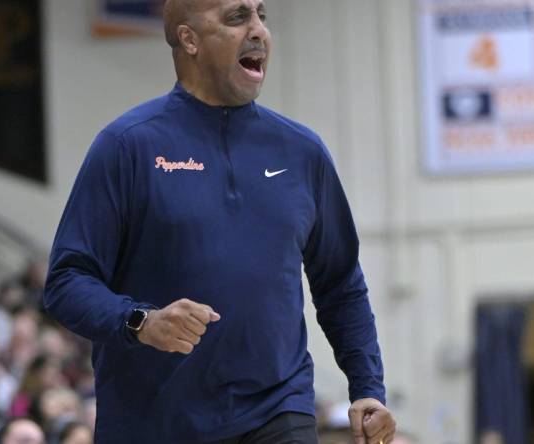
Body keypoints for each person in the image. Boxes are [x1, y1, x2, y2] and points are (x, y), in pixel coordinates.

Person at [43, 0, 396, 443]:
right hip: (153, 422)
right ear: (188, 39)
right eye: (236, 18)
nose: (258, 31)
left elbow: (340, 282)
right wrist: (141, 322)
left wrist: (367, 387)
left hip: (277, 412)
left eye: (261, 16)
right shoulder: (126, 146)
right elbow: (66, 281)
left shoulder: (302, 152)